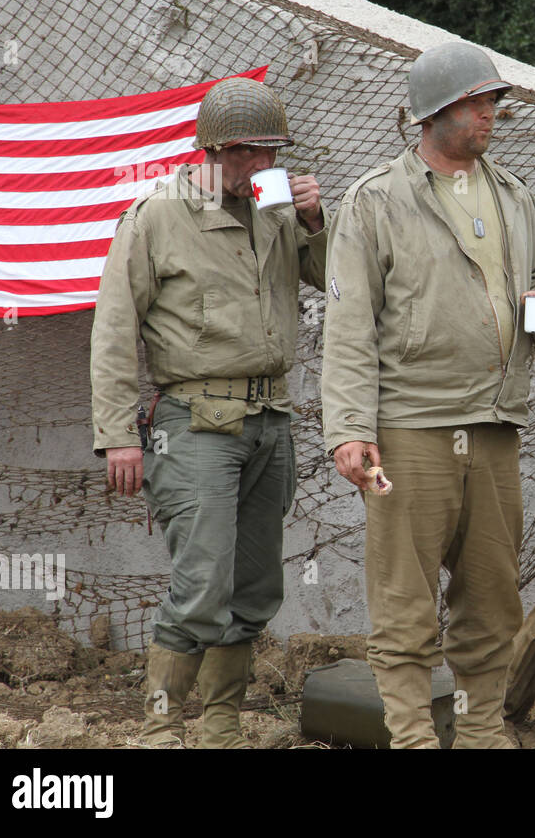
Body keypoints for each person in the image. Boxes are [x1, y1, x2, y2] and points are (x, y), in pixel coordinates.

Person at [322, 41, 535, 749]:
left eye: (494, 101)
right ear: (434, 113)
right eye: (477, 102)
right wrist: (348, 430)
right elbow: (348, 326)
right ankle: (412, 737)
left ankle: (482, 731)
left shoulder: (515, 196)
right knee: (405, 608)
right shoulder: (374, 200)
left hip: (494, 429)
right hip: (410, 428)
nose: (491, 113)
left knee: (491, 602)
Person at [90, 76, 326, 747]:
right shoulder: (158, 215)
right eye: (249, 154)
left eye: (271, 154)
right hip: (193, 425)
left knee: (253, 585)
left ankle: (221, 724)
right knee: (202, 580)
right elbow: (113, 326)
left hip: (270, 421)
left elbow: (331, 279)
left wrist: (315, 223)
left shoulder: (278, 213)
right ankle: (160, 727)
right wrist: (117, 436)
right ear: (212, 150)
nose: (263, 167)